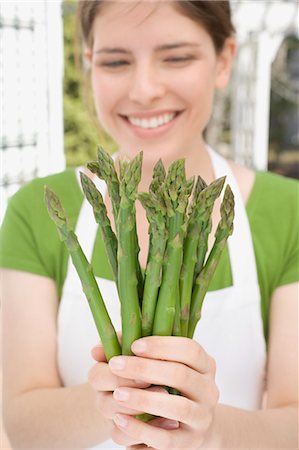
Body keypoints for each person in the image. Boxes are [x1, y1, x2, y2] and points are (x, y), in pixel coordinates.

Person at [1, 1, 298, 449]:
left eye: (177, 57)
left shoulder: (289, 211)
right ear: (89, 65)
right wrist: (121, 397)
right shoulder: (36, 210)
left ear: (223, 61)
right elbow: (22, 426)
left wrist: (212, 432)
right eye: (116, 61)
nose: (144, 90)